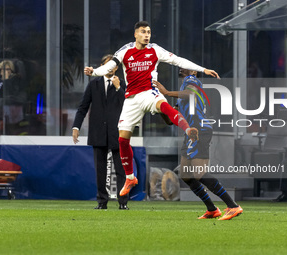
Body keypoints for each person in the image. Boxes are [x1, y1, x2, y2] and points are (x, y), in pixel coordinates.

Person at [84, 21, 220, 197]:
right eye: (143, 32)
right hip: (131, 99)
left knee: (163, 106)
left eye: (149, 32)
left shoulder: (155, 50)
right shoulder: (125, 51)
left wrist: (203, 69)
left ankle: (188, 129)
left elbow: (177, 60)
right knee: (122, 140)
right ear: (136, 34)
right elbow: (110, 66)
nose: (147, 35)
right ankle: (130, 177)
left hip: (149, 92)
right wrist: (94, 72)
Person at [152, 69, 243, 220]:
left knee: (199, 173)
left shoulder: (191, 80)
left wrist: (167, 92)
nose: (182, 66)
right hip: (191, 133)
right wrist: (159, 105)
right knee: (186, 175)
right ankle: (212, 209)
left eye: (186, 64)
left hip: (200, 130)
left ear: (193, 71)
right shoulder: (181, 95)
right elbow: (170, 121)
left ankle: (233, 206)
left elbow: (191, 94)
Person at [73, 54, 129, 210]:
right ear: (102, 67)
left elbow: (128, 107)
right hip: (98, 132)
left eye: (112, 65)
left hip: (118, 133)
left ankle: (123, 202)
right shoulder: (93, 84)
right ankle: (101, 202)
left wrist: (119, 88)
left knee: (121, 170)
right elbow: (83, 107)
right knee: (100, 171)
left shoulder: (123, 84)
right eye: (107, 65)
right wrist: (76, 127)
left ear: (117, 68)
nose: (110, 68)